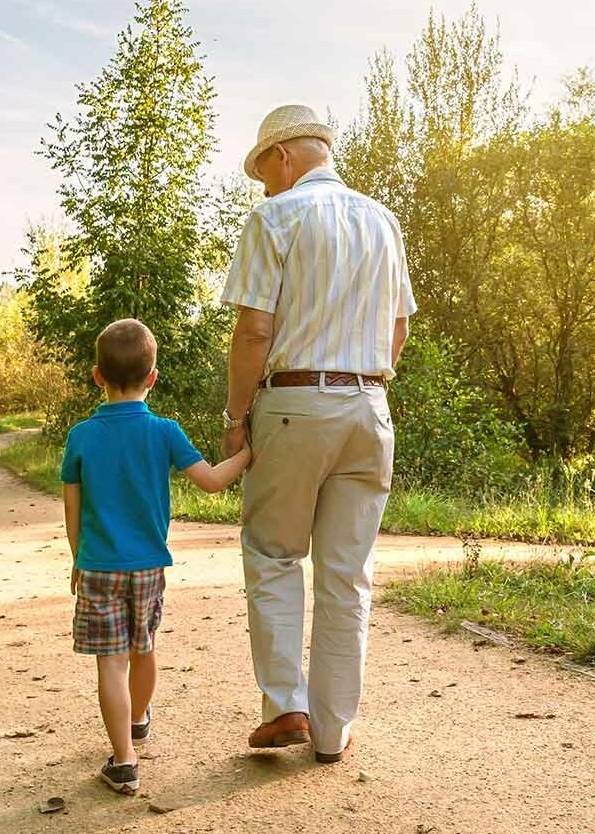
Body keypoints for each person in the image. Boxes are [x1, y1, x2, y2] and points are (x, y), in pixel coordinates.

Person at [220, 104, 416, 763]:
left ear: (283, 157)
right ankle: (332, 732)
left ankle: (285, 707)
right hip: (370, 407)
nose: (264, 186)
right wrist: (364, 380)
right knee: (346, 573)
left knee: (275, 554)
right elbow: (399, 331)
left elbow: (254, 330)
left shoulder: (275, 217)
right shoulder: (383, 221)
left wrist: (235, 416)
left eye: (263, 172)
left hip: (294, 405)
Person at [61, 318, 251, 795]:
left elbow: (72, 506)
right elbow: (210, 481)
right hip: (148, 566)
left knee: (110, 662)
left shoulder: (81, 436)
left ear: (97, 376)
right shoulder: (164, 431)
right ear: (153, 377)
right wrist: (249, 454)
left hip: (99, 566)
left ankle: (123, 760)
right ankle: (139, 718)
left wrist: (77, 558)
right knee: (143, 646)